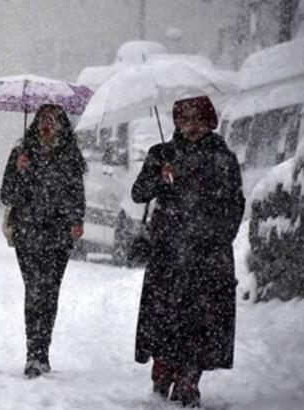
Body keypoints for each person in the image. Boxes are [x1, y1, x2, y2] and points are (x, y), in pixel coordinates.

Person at [131, 96, 245, 407]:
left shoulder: (222, 158)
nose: (192, 126)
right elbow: (138, 193)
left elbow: (234, 205)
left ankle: (189, 380)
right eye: (185, 119)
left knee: (201, 322)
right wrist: (159, 175)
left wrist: (217, 237)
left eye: (198, 119)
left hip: (208, 255)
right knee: (166, 317)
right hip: (169, 253)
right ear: (177, 122)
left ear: (209, 121)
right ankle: (164, 368)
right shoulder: (161, 153)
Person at [0, 104, 86, 378]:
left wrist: (76, 221)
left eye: (53, 120)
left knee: (49, 292)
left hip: (58, 235)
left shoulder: (70, 157)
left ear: (62, 126)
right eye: (43, 120)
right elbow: (6, 195)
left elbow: (76, 195)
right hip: (27, 232)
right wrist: (20, 170)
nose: (47, 125)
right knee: (34, 290)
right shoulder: (21, 154)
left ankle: (42, 351)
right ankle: (33, 354)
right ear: (36, 124)